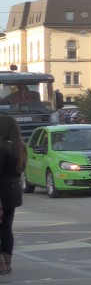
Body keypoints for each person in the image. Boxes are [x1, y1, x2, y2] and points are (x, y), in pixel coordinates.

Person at [0, 115, 28, 275]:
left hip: (1, 192)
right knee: (6, 229)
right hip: (13, 192)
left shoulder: (1, 147)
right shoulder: (20, 146)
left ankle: (1, 264)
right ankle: (7, 263)